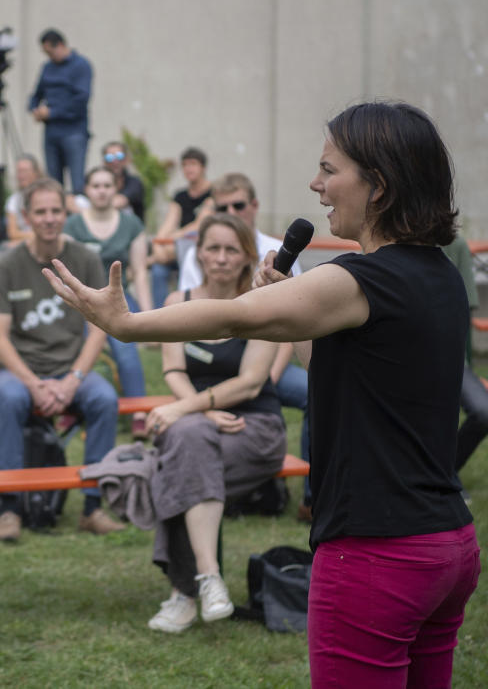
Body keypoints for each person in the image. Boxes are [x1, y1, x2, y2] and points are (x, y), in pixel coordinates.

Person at [44, 101, 478, 686]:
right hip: (446, 545)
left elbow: (232, 316)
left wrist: (127, 324)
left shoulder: (360, 279)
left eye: (330, 169)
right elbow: (346, 371)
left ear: (379, 185)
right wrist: (296, 314)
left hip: (377, 553)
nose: (315, 184)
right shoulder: (440, 277)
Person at [146, 213, 286, 633]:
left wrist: (185, 411)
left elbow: (251, 381)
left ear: (247, 256)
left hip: (254, 428)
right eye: (213, 248)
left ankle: (184, 594)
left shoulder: (261, 305)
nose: (221, 258)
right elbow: (173, 371)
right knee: (188, 445)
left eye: (231, 250)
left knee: (178, 459)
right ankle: (208, 580)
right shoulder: (177, 303)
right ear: (199, 252)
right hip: (197, 424)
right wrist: (198, 412)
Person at [0, 177, 123, 542]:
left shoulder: (85, 258)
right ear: (26, 217)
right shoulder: (8, 264)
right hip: (23, 372)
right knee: (12, 398)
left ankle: (93, 506)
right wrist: (33, 384)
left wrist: (73, 379)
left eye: (56, 211)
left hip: (70, 370)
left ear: (66, 214)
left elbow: (99, 329)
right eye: (41, 211)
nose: (49, 218)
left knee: (105, 399)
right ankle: (10, 509)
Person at [179, 172, 310, 515]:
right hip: (224, 363)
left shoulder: (277, 251)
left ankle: (314, 494)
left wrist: (270, 374)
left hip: (275, 356)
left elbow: (289, 323)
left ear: (253, 205)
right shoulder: (199, 264)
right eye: (223, 206)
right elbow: (188, 314)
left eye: (239, 204)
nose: (232, 211)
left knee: (317, 390)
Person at [64, 166, 152, 438]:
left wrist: (149, 315)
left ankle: (138, 413)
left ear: (115, 190)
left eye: (107, 186)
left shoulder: (131, 225)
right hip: (82, 304)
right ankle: (70, 406)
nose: (101, 191)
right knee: (71, 347)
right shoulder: (72, 225)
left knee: (126, 353)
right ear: (87, 191)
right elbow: (66, 273)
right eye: (96, 186)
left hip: (119, 303)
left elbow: (139, 272)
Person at [441, 235, 488, 495]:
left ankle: (447, 471)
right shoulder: (387, 240)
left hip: (451, 359)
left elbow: (464, 312)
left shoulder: (454, 245)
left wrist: (462, 365)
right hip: (409, 362)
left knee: (483, 411)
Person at [28, 29, 92, 194]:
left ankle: (77, 217)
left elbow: (80, 101)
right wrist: (35, 109)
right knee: (53, 184)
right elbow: (36, 94)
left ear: (61, 45)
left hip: (74, 132)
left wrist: (52, 113)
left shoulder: (81, 66)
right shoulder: (47, 67)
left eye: (50, 52)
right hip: (51, 132)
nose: (49, 56)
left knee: (77, 183)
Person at [150, 147, 213, 308]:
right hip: (177, 245)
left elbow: (198, 226)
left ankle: (184, 312)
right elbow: (168, 224)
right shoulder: (180, 196)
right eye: (184, 165)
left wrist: (166, 240)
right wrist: (158, 243)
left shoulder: (214, 193)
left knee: (169, 255)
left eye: (193, 164)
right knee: (158, 270)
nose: (188, 168)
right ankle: (159, 316)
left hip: (200, 245)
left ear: (203, 168)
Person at [101, 141, 146, 223]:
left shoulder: (134, 183)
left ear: (127, 159)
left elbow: (119, 202)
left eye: (119, 156)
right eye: (109, 157)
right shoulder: (97, 181)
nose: (115, 161)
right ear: (104, 161)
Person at [4, 154, 42, 241]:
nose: (21, 176)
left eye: (25, 171)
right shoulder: (13, 200)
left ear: (36, 173)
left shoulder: (47, 195)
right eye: (19, 171)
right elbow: (12, 233)